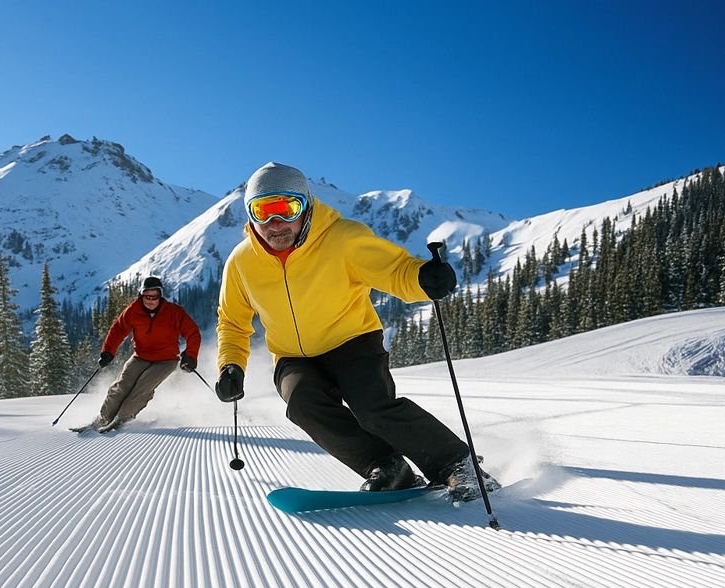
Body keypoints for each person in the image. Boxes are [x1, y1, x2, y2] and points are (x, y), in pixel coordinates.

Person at [214, 162, 499, 500]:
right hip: (293, 355)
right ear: (250, 215)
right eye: (263, 211)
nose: (275, 223)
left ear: (305, 206)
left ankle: (457, 464)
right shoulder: (241, 261)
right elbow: (232, 321)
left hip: (352, 341)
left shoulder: (342, 238)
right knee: (303, 404)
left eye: (287, 208)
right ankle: (387, 466)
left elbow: (394, 270)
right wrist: (231, 364)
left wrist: (423, 279)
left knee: (373, 408)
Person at [82, 276, 202, 433]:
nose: (150, 300)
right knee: (121, 386)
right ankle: (103, 419)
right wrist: (108, 352)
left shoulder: (174, 312)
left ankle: (122, 419)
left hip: (166, 360)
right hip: (141, 356)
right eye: (147, 296)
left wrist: (190, 356)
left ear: (160, 296)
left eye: (154, 296)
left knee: (142, 388)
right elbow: (118, 330)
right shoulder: (134, 310)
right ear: (141, 295)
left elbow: (193, 333)